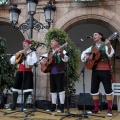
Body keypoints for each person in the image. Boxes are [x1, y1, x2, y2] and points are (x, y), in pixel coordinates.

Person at [81, 32, 115, 117]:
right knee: (94, 90)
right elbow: (83, 53)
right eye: (93, 35)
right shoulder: (92, 47)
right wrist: (87, 57)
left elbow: (110, 54)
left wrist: (108, 46)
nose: (93, 36)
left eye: (95, 35)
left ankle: (109, 109)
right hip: (95, 70)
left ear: (101, 36)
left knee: (108, 90)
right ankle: (96, 108)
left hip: (105, 70)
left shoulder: (105, 44)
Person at [40, 38, 68, 113]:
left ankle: (61, 106)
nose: (51, 42)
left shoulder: (62, 50)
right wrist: (43, 61)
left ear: (57, 43)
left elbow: (66, 59)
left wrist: (61, 53)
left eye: (53, 41)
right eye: (51, 41)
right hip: (52, 73)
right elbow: (42, 58)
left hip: (60, 72)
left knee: (61, 89)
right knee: (53, 90)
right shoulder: (50, 52)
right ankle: (53, 105)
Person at [8, 39, 37, 110]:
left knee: (27, 89)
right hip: (20, 71)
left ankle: (23, 105)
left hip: (28, 72)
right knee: (15, 87)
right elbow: (12, 62)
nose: (24, 44)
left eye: (25, 43)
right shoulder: (20, 52)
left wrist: (27, 55)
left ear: (29, 45)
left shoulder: (32, 53)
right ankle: (14, 105)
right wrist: (15, 56)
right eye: (23, 43)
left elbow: (32, 63)